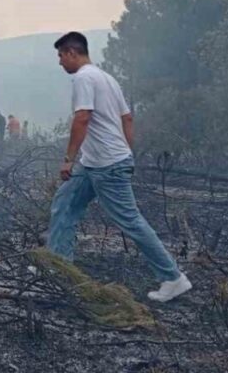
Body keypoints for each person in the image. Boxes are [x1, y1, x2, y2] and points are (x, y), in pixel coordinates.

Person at [46, 32, 191, 302]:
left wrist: (68, 158)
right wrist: (127, 152)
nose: (59, 63)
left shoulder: (83, 78)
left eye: (60, 56)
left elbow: (82, 118)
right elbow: (128, 118)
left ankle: (173, 278)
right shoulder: (107, 79)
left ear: (72, 53)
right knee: (64, 204)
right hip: (95, 164)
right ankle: (58, 267)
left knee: (130, 221)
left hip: (106, 165)